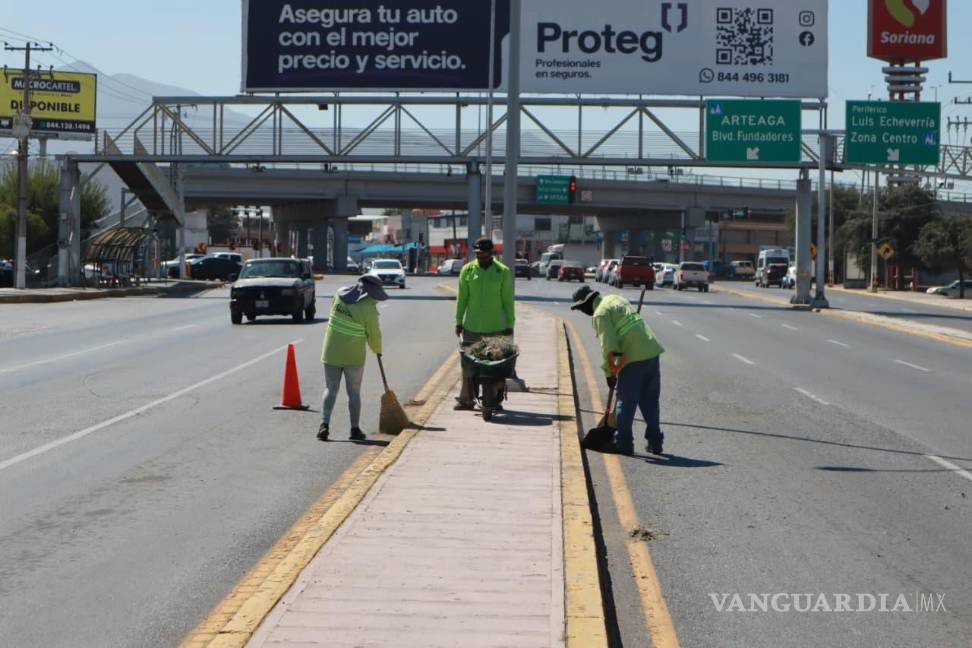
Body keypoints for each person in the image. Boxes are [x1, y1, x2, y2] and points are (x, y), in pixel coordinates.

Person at [570, 286, 666, 455]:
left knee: (625, 401)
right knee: (650, 401)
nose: (582, 312)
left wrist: (610, 374)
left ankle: (623, 443)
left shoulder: (600, 314)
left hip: (633, 357)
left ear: (586, 304)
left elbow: (610, 347)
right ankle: (655, 442)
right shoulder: (616, 299)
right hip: (651, 351)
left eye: (581, 308)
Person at [317, 275, 387, 441]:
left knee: (330, 389)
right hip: (353, 356)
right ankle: (354, 429)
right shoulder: (368, 309)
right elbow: (374, 335)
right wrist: (377, 350)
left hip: (331, 352)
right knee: (354, 392)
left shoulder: (339, 294)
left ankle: (324, 425)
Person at [454, 237, 515, 410]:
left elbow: (507, 300)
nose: (480, 256)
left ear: (490, 252)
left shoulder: (502, 271)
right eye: (477, 253)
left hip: (497, 328)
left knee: (497, 367)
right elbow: (462, 299)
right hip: (472, 327)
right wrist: (458, 321)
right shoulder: (467, 270)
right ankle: (466, 399)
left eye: (483, 253)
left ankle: (496, 399)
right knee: (468, 366)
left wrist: (510, 324)